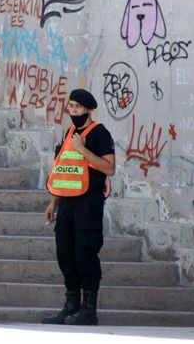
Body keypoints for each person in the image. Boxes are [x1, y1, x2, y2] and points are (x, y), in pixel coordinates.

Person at [41, 88, 116, 326]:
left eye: (77, 107)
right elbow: (62, 168)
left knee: (85, 251)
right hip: (67, 202)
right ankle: (70, 305)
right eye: (70, 106)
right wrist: (54, 201)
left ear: (88, 109)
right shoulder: (69, 133)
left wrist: (82, 149)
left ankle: (88, 309)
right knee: (65, 251)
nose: (72, 111)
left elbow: (109, 168)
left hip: (89, 202)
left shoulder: (99, 134)